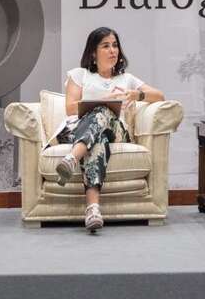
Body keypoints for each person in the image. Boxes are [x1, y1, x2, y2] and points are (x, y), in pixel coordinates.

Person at [49, 27, 164, 232]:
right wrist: (103, 101)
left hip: (116, 132)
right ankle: (93, 209)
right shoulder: (79, 75)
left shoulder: (127, 79)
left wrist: (136, 95)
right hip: (77, 129)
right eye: (106, 46)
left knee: (103, 113)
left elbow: (159, 96)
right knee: (98, 138)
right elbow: (70, 107)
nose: (113, 50)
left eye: (115, 45)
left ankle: (72, 158)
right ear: (93, 52)